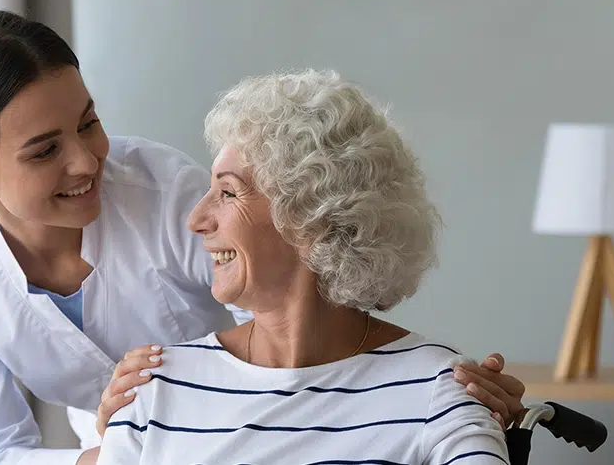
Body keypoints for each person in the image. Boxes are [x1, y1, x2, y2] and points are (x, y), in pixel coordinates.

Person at [0, 9, 523, 465]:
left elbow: (290, 335)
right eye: (44, 151)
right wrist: (123, 446)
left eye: (90, 123)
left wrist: (434, 387)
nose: (88, 163)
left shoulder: (165, 193)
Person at [96, 69, 509, 464]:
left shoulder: (440, 391)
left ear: (312, 215)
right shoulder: (154, 389)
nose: (197, 219)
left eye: (227, 192)